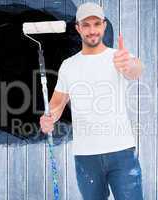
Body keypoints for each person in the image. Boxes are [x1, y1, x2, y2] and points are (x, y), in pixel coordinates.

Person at [39, 2, 144, 200]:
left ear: (104, 26)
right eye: (86, 25)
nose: (92, 30)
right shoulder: (68, 66)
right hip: (86, 156)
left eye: (97, 24)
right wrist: (49, 118)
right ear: (78, 28)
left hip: (121, 153)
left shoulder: (118, 57)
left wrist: (129, 63)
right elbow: (57, 103)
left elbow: (136, 70)